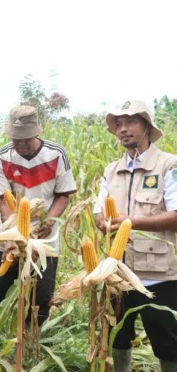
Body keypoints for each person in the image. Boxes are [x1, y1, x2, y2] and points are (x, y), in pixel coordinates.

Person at [0, 105, 77, 340]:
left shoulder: (56, 154)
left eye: (25, 138)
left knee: (40, 296)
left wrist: (50, 220)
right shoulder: (0, 157)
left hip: (45, 237)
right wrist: (14, 238)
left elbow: (64, 194)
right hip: (11, 233)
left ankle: (32, 343)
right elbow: (4, 201)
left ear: (36, 133)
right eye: (15, 138)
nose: (20, 143)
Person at [93, 100, 177, 372]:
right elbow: (98, 212)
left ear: (147, 127)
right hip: (118, 272)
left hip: (159, 275)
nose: (123, 129)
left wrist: (130, 222)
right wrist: (103, 223)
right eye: (118, 124)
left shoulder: (168, 166)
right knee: (117, 335)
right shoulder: (111, 170)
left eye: (131, 122)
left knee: (167, 341)